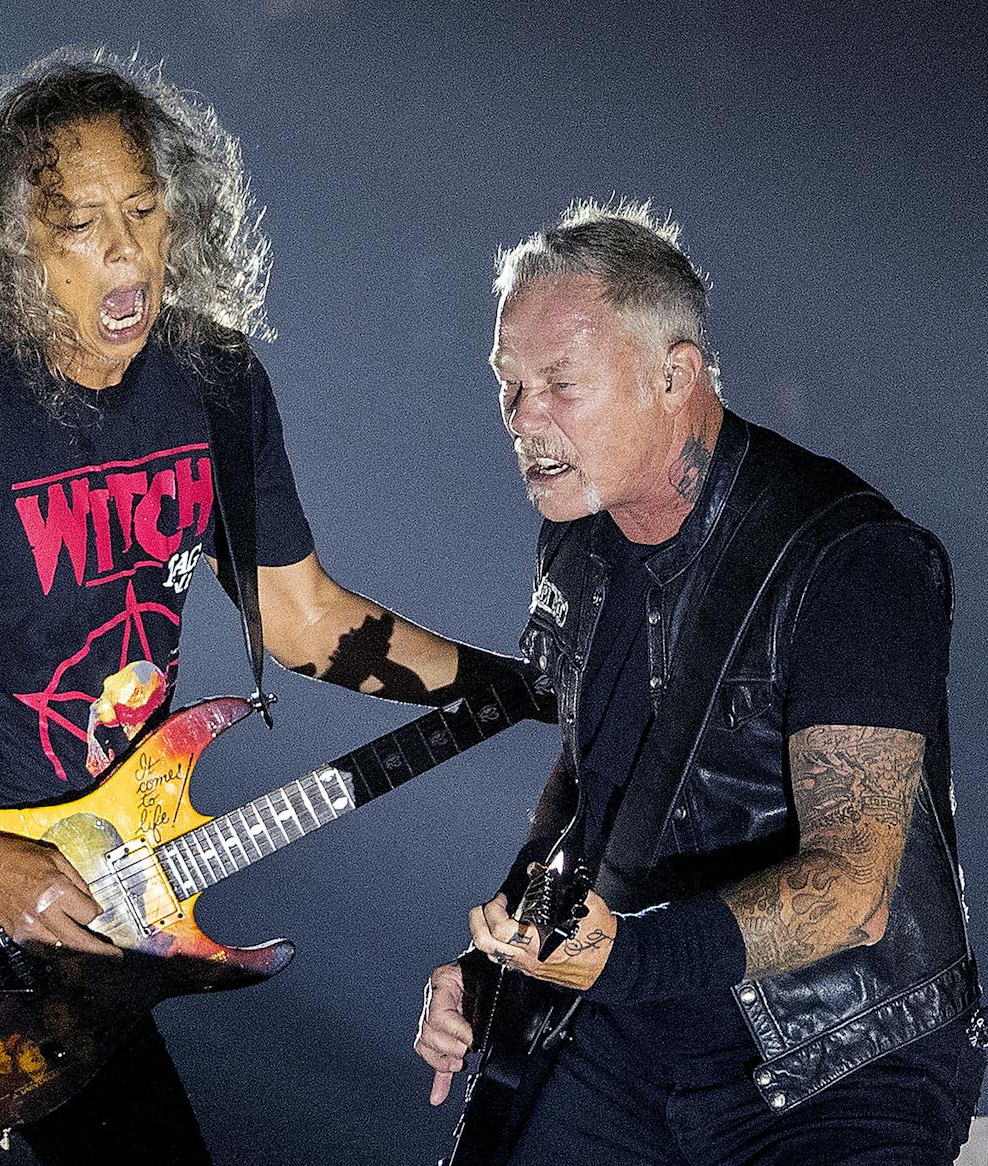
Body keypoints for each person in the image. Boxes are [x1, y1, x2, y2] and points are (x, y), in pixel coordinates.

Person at [0, 48, 547, 1165]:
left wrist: (513, 687)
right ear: (15, 246)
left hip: (140, 861)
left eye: (142, 209)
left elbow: (301, 621)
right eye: (80, 222)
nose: (125, 248)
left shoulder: (215, 386)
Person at [414, 200, 985, 1164]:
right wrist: (502, 961)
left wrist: (624, 956)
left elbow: (856, 890)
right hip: (632, 1035)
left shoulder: (851, 561)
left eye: (561, 385)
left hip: (830, 1060)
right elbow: (592, 788)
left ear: (674, 375)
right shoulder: (580, 536)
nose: (526, 421)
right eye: (509, 387)